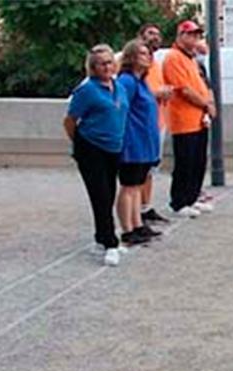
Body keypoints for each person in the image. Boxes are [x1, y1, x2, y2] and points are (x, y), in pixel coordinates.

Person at [63, 45, 128, 267]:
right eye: (101, 63)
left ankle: (102, 236)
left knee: (109, 191)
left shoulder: (118, 87)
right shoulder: (87, 90)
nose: (107, 67)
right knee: (100, 194)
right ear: (93, 67)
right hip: (91, 147)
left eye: (110, 62)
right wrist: (79, 144)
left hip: (114, 146)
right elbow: (70, 120)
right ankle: (110, 242)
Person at [163, 20, 216, 218]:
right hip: (183, 120)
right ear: (180, 36)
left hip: (198, 120)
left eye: (197, 35)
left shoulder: (192, 59)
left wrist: (208, 104)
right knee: (185, 162)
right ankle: (179, 200)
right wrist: (206, 104)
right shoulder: (173, 58)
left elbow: (202, 83)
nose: (195, 39)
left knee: (198, 161)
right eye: (191, 35)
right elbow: (183, 89)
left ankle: (192, 197)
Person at [115, 39, 163, 247]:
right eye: (142, 53)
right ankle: (127, 228)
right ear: (132, 57)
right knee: (129, 186)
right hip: (132, 142)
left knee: (137, 186)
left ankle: (137, 223)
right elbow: (119, 110)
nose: (148, 57)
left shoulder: (141, 81)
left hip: (144, 142)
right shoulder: (127, 81)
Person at [137, 23, 172, 225]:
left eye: (158, 34)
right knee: (141, 169)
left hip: (159, 120)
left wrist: (165, 91)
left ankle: (146, 206)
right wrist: (156, 93)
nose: (155, 37)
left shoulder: (156, 64)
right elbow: (134, 91)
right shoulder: (134, 66)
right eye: (150, 33)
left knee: (151, 168)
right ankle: (136, 212)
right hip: (143, 124)